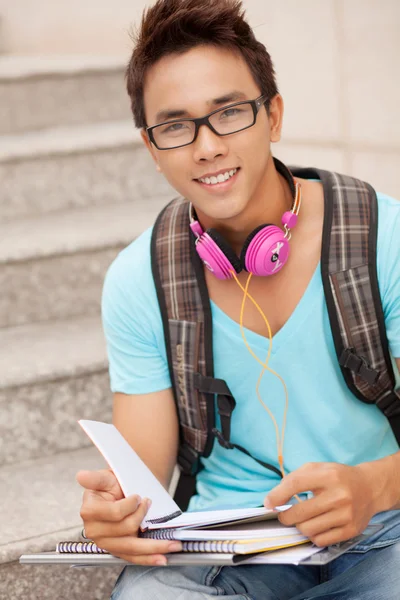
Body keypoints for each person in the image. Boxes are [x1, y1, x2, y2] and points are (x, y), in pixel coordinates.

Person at [76, 0, 400, 597]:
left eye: (229, 113)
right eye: (174, 126)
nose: (206, 147)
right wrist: (118, 515)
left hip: (384, 531)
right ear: (151, 147)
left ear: (273, 116)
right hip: (227, 549)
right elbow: (142, 478)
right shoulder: (138, 279)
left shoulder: (386, 239)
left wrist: (373, 487)